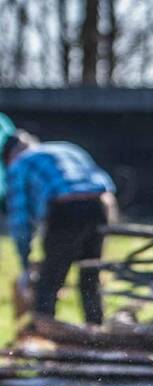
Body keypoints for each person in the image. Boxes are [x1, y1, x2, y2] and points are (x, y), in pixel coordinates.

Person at [2, 129, 116, 324]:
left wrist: (25, 262)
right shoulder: (68, 148)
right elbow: (106, 186)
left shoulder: (20, 164)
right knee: (89, 273)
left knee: (50, 278)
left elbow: (20, 219)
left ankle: (43, 329)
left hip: (65, 208)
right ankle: (95, 330)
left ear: (10, 156)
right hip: (98, 206)